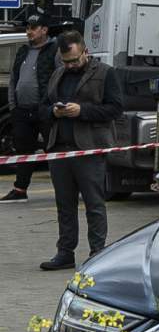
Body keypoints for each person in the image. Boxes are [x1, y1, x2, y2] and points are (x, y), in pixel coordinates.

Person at [38, 30, 123, 271]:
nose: (71, 65)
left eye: (75, 60)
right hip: (60, 149)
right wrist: (53, 112)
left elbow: (115, 109)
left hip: (89, 150)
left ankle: (97, 253)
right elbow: (42, 108)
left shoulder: (106, 73)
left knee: (94, 204)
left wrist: (81, 111)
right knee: (64, 205)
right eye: (66, 61)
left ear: (85, 51)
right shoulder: (58, 74)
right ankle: (65, 253)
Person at [0, 13, 61, 203]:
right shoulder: (23, 51)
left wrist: (52, 104)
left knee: (54, 149)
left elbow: (61, 78)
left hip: (44, 109)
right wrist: (13, 105)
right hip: (21, 110)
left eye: (33, 28)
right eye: (28, 28)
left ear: (44, 30)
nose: (29, 32)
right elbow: (13, 79)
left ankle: (63, 189)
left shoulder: (54, 51)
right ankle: (19, 189)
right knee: (23, 151)